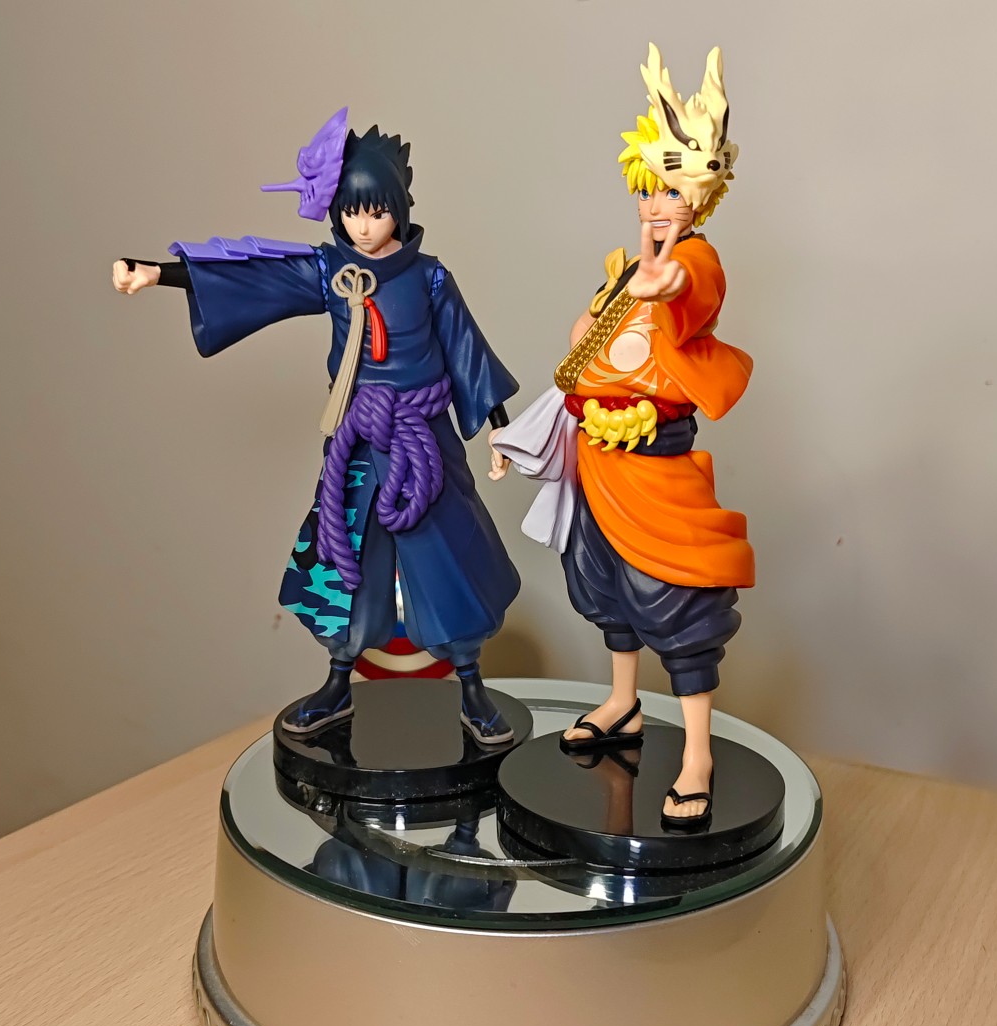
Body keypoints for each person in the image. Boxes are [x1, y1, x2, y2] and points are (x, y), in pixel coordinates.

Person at [113, 112, 520, 743]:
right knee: (342, 555)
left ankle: (470, 684)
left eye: (376, 211)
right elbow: (256, 274)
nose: (364, 225)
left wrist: (498, 425)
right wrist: (158, 272)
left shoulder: (430, 276)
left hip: (422, 439)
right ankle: (338, 681)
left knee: (446, 560)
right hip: (357, 440)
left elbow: (468, 349)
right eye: (352, 212)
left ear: (399, 209)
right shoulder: (331, 272)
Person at [491, 45, 753, 824]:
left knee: (677, 605)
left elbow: (692, 293)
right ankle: (622, 702)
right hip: (595, 463)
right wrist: (523, 441)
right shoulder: (620, 273)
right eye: (648, 190)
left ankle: (697, 753)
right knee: (602, 590)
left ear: (700, 196)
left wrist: (670, 281)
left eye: (671, 191)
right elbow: (577, 368)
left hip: (654, 470)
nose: (655, 205)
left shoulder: (693, 262)